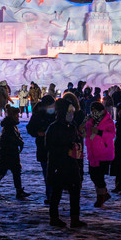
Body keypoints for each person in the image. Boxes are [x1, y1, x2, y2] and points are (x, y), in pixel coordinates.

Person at [46, 98, 86, 228]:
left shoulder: (71, 126)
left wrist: (77, 148)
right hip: (58, 164)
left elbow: (76, 140)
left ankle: (75, 218)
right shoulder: (54, 127)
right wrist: (66, 150)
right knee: (56, 192)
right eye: (70, 111)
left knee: (75, 191)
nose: (72, 114)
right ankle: (54, 217)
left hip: (71, 164)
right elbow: (50, 146)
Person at [0, 106, 30, 200]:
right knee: (3, 171)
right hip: (8, 152)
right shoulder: (9, 126)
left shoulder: (11, 125)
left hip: (10, 152)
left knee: (15, 171)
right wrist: (20, 142)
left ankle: (18, 190)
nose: (18, 117)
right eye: (17, 115)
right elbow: (12, 138)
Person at [83, 101, 115, 208]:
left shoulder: (108, 121)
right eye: (92, 110)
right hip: (92, 152)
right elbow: (85, 132)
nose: (93, 112)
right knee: (93, 175)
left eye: (95, 110)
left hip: (103, 153)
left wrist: (99, 132)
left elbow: (112, 134)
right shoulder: (90, 120)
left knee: (99, 176)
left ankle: (100, 198)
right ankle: (104, 193)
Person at [27, 94, 56, 204]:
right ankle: (50, 195)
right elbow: (30, 128)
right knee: (47, 172)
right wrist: (38, 133)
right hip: (43, 147)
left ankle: (52, 194)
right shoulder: (38, 114)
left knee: (52, 172)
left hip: (55, 147)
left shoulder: (56, 114)